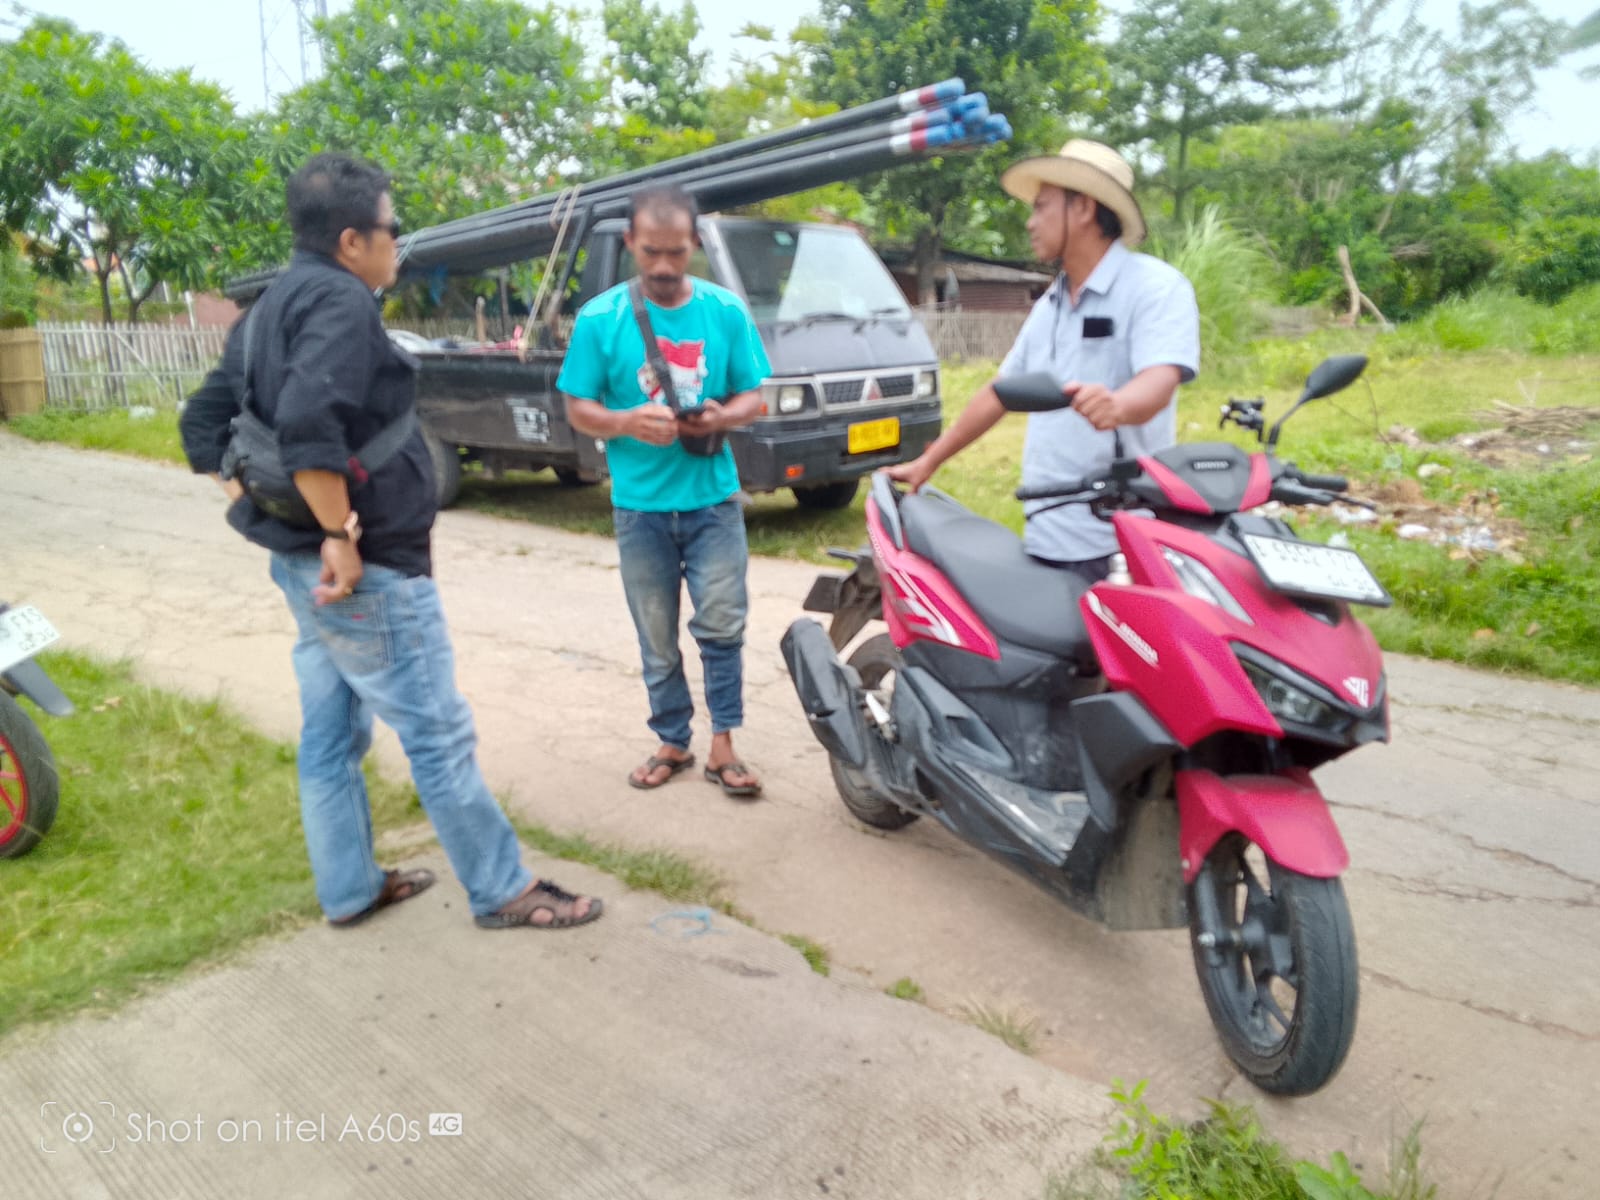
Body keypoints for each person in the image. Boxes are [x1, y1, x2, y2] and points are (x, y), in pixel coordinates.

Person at [180, 152, 601, 931]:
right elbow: (309, 425)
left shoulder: (269, 307)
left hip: (304, 569)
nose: (397, 245)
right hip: (365, 576)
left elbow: (200, 425)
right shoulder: (339, 304)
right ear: (350, 240)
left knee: (332, 735)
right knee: (437, 733)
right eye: (391, 229)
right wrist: (337, 534)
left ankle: (348, 889)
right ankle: (502, 889)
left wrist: (265, 509)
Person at [887, 140, 1200, 584]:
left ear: (1084, 208)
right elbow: (1001, 392)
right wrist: (929, 462)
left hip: (1121, 542)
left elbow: (1160, 380)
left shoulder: (1155, 288)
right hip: (1048, 530)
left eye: (1041, 208)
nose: (1031, 224)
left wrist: (1119, 405)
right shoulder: (1050, 305)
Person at [557, 184, 770, 799]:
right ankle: (672, 739)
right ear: (629, 243)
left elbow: (754, 394)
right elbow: (577, 407)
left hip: (713, 503)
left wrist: (722, 417)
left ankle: (723, 742)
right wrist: (626, 422)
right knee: (656, 633)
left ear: (694, 245)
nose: (664, 267)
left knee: (723, 626)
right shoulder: (602, 318)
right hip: (639, 509)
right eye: (651, 252)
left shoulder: (724, 311)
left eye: (676, 253)